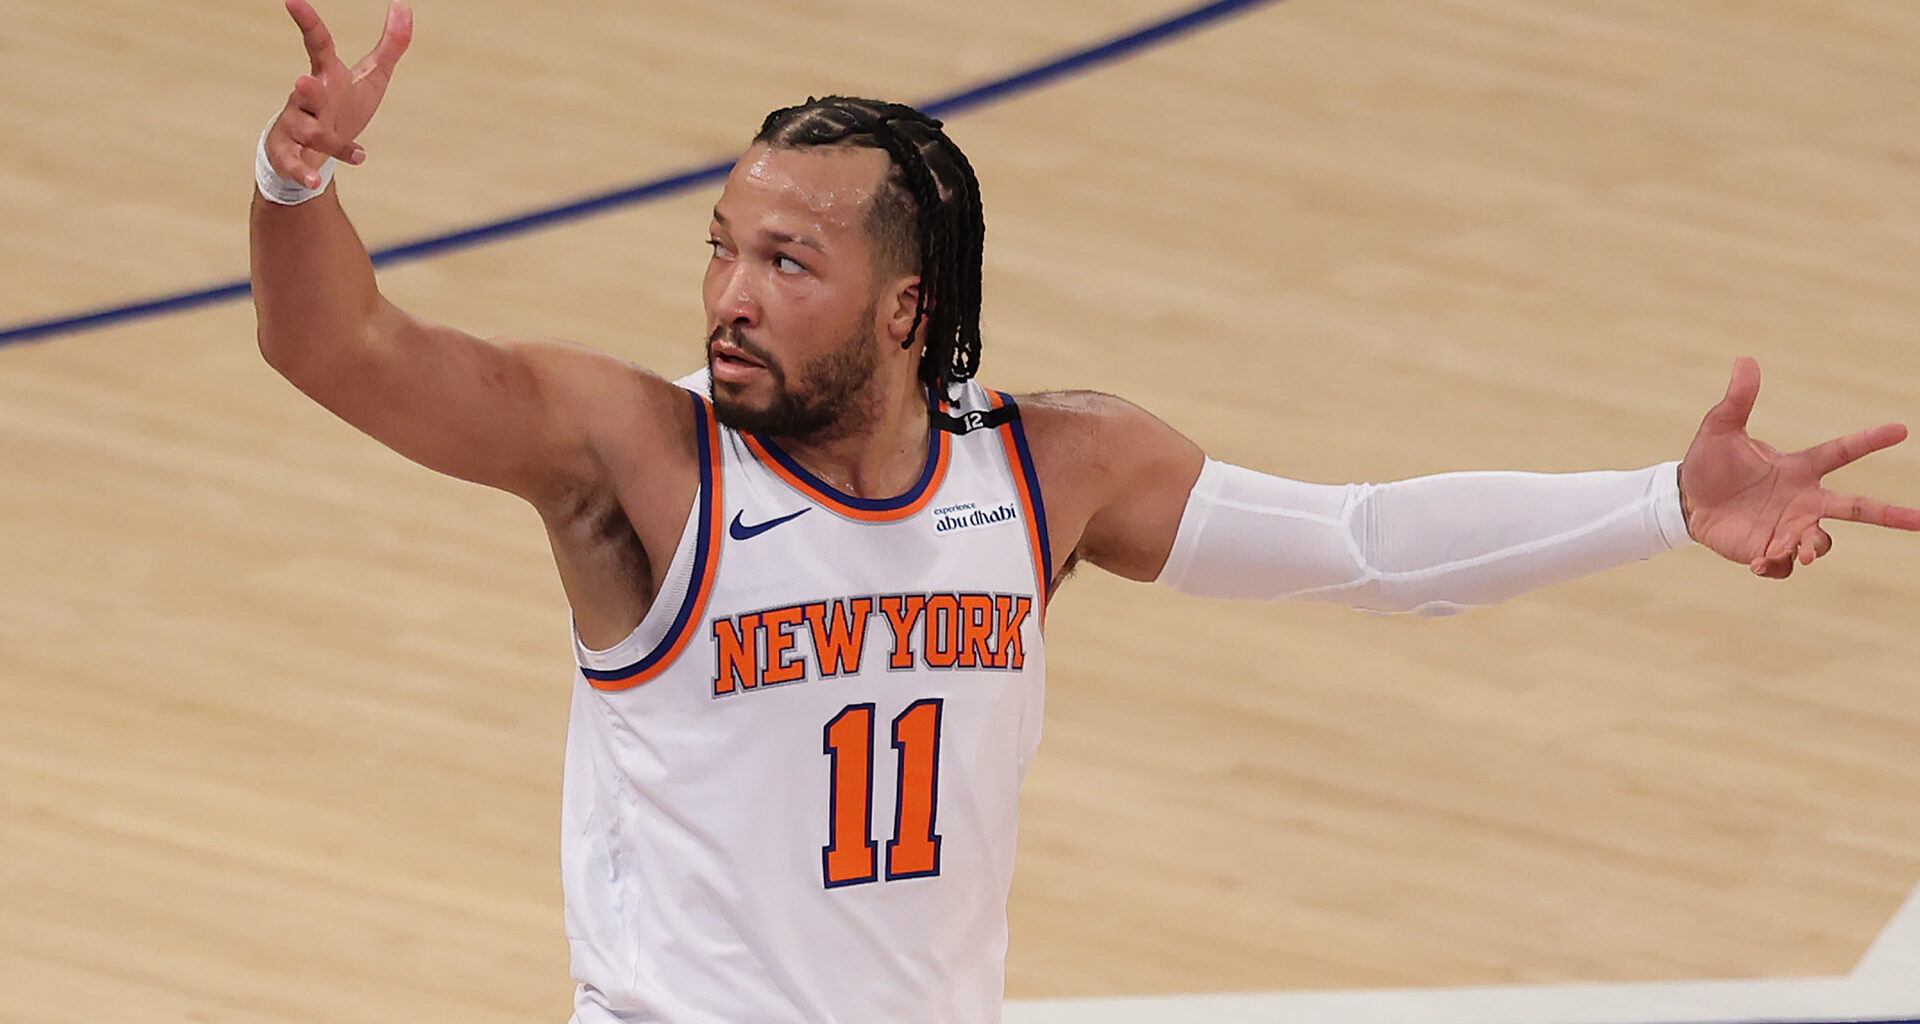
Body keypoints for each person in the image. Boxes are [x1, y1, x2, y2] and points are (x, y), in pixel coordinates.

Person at [250, 2, 1920, 1021]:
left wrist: (1660, 501)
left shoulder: (1047, 471)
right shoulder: (637, 457)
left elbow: (1365, 549)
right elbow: (341, 347)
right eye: (721, 248)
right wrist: (296, 178)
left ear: (906, 309)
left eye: (787, 262)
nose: (729, 296)